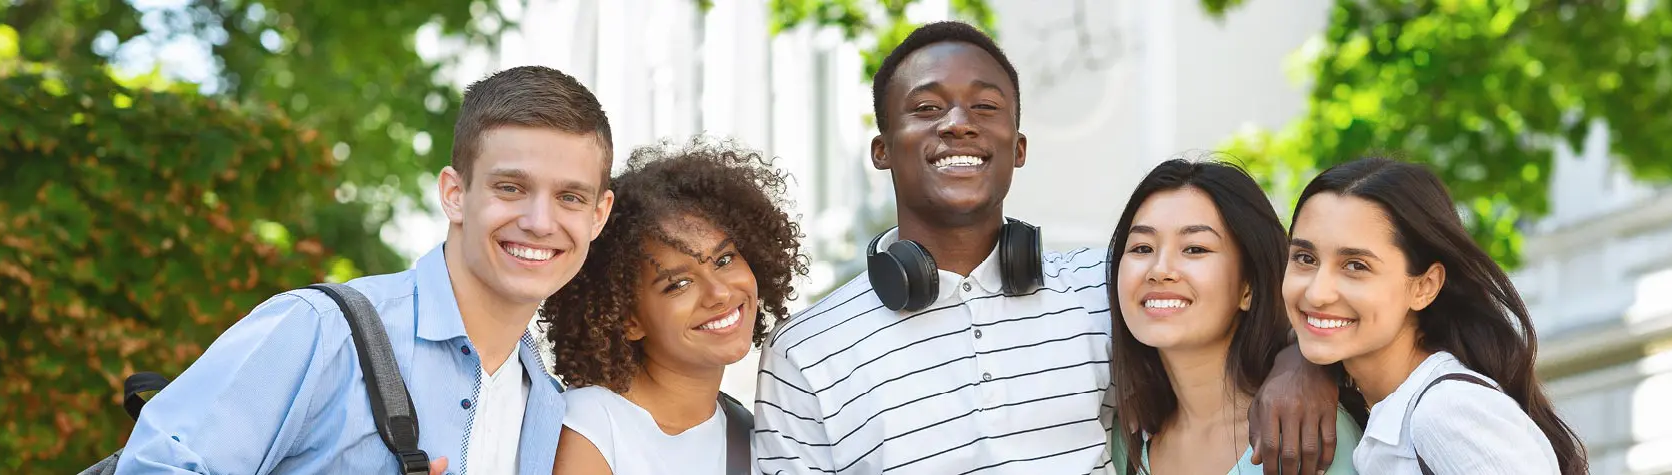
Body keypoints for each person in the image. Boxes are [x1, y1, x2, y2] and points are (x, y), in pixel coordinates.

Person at [753, 20, 1343, 475]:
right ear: (882, 149)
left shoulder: (1107, 288)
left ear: (1019, 147)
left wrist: (1304, 365)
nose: (959, 123)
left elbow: (1240, 308)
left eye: (986, 107)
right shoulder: (807, 351)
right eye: (927, 108)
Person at [117, 65, 616, 474]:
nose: (539, 222)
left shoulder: (548, 405)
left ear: (598, 215)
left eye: (569, 197)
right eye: (511, 188)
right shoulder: (320, 330)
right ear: (455, 194)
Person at [1282, 157, 1588, 474]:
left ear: (1425, 286)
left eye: (1356, 266)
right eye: (1305, 258)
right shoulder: (1386, 413)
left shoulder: (1446, 412)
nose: (1317, 293)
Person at [541, 137, 806, 475]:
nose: (719, 293)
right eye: (678, 284)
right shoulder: (591, 425)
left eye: (724, 259)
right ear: (628, 319)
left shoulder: (758, 442)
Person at [1106, 158, 1363, 475]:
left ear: (1249, 287)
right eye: (1142, 248)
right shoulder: (1121, 443)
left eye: (1195, 249)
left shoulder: (1304, 435)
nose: (1159, 271)